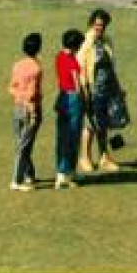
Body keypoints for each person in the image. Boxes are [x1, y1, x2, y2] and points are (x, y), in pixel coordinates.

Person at [78, 9, 127, 175]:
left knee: (104, 123)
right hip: (93, 89)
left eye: (103, 25)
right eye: (97, 24)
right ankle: (85, 157)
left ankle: (104, 157)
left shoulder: (106, 41)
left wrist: (118, 88)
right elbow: (81, 68)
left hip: (108, 88)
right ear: (91, 23)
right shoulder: (86, 42)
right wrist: (85, 91)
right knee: (90, 124)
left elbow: (111, 66)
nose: (100, 28)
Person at [7, 32, 43, 191]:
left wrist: (19, 97)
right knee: (24, 146)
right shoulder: (36, 68)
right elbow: (33, 92)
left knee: (21, 143)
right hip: (30, 109)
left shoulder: (17, 65)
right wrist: (33, 112)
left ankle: (29, 174)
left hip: (17, 107)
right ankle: (17, 180)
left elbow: (11, 87)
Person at [53, 29, 85, 189]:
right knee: (73, 137)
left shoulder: (59, 56)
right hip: (73, 99)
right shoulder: (72, 61)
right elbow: (77, 84)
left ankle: (61, 172)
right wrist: (84, 99)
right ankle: (68, 172)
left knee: (62, 136)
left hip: (62, 96)